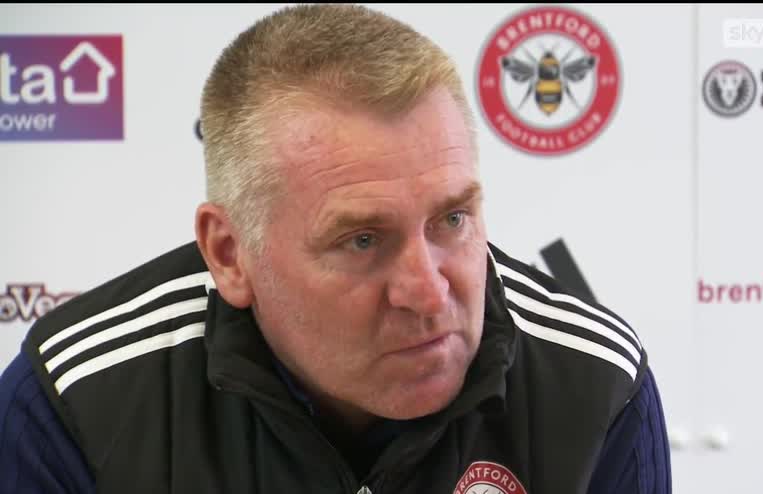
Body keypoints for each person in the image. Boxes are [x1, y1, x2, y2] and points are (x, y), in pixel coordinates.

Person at [0, 4, 670, 493]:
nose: (428, 291)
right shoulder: (78, 403)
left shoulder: (593, 385)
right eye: (363, 240)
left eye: (452, 220)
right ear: (230, 254)